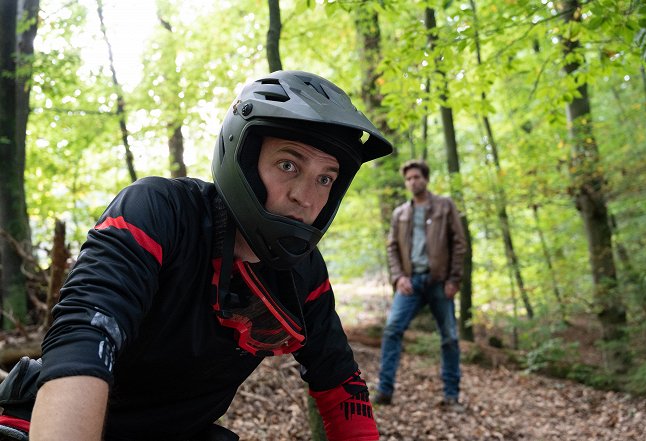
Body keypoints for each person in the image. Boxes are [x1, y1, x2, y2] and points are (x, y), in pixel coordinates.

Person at [0, 70, 393, 441]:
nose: (306, 198)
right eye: (288, 164)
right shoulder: (159, 211)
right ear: (243, 156)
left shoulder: (304, 274)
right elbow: (86, 333)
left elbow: (341, 384)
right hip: (43, 421)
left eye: (325, 178)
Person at [373, 159, 466, 411]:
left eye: (417, 177)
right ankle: (384, 391)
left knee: (449, 337)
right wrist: (398, 277)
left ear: (426, 179)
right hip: (410, 283)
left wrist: (454, 279)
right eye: (409, 178)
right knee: (392, 329)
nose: (413, 181)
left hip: (439, 282)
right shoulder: (400, 213)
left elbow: (459, 244)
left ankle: (451, 396)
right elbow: (392, 247)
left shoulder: (445, 206)